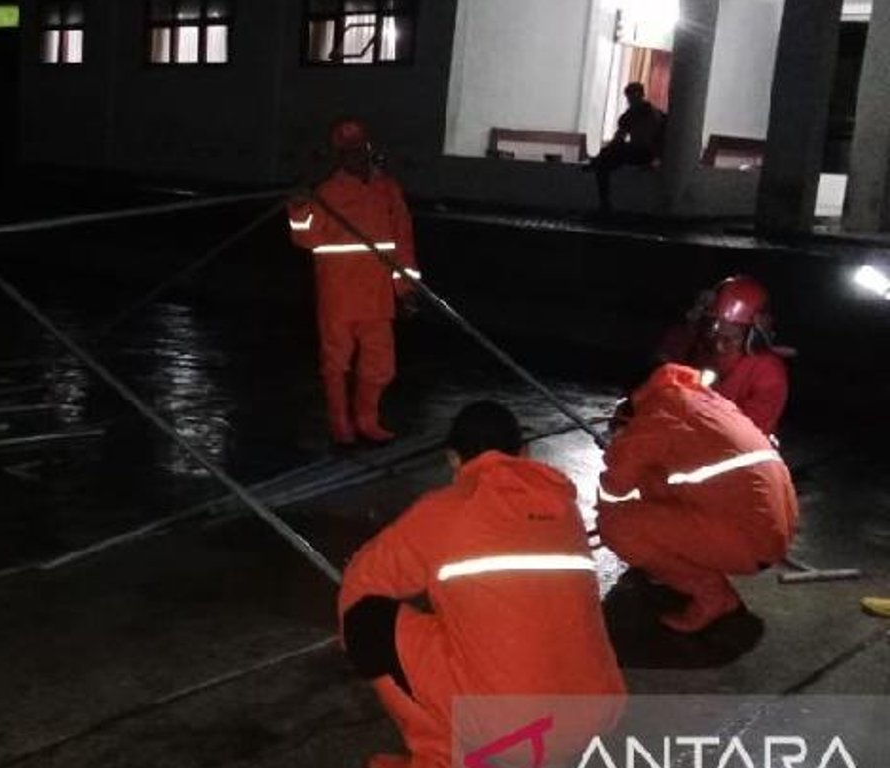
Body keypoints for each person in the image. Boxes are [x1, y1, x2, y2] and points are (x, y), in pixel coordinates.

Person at [339, 401, 624, 768]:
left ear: (453, 459)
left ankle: (440, 757)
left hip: (514, 732)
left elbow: (361, 583)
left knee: (365, 621)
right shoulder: (564, 507)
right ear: (524, 452)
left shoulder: (443, 511)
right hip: (595, 715)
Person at [597, 364, 799, 633]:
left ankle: (713, 596)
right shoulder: (703, 402)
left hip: (748, 540)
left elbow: (614, 490)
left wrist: (621, 444)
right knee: (653, 475)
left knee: (616, 526)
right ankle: (673, 563)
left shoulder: (656, 417)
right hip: (770, 531)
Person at [287, 118, 418, 445]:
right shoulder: (326, 193)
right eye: (347, 151)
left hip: (377, 297)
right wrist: (299, 207)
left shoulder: (388, 191)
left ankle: (367, 421)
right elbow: (304, 239)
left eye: (359, 149)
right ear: (338, 156)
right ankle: (341, 426)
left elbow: (403, 243)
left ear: (369, 149)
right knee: (336, 363)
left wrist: (406, 289)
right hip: (339, 296)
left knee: (380, 365)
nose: (355, 156)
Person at [657, 276, 791, 436]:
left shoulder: (768, 370)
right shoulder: (698, 348)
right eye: (714, 325)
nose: (718, 340)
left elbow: (750, 430)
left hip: (737, 446)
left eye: (731, 332)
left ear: (753, 333)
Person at [588, 82, 665, 213]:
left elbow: (656, 141)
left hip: (646, 154)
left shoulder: (653, 115)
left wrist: (657, 159)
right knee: (605, 162)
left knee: (606, 160)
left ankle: (604, 202)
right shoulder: (631, 115)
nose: (631, 101)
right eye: (630, 98)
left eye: (634, 97)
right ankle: (604, 201)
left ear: (641, 96)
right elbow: (619, 137)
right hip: (638, 151)